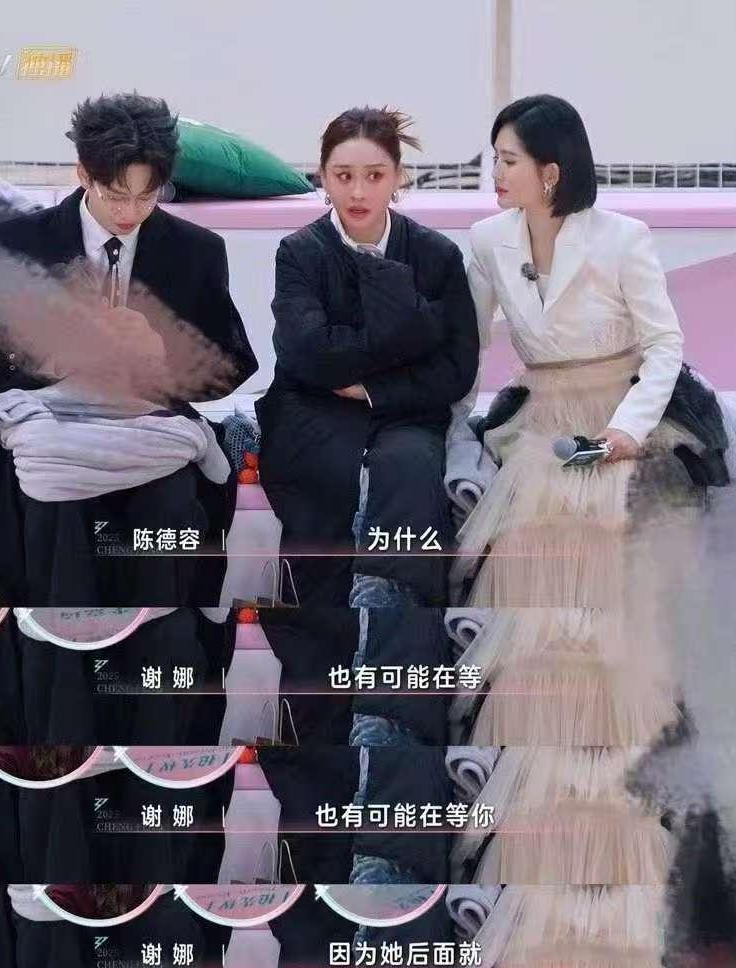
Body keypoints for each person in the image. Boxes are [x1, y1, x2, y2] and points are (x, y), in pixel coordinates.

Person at [0, 91, 257, 605]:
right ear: (83, 174)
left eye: (147, 196)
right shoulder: (21, 244)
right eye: (116, 195)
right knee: (51, 507)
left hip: (151, 430)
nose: (130, 212)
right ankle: (63, 647)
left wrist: (164, 355)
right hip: (51, 430)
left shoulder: (195, 251)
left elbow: (232, 365)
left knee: (171, 508)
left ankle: (157, 646)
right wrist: (46, 355)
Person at [452, 93, 697, 608]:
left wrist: (628, 429)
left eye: (509, 161)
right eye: (495, 158)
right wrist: (450, 425)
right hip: (540, 417)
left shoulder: (623, 239)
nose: (495, 172)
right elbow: (467, 345)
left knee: (611, 511)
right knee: (533, 515)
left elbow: (664, 343)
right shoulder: (487, 240)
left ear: (551, 173)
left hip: (623, 410)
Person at [256, 106, 480, 607]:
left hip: (405, 411)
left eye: (374, 176)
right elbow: (307, 353)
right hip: (313, 409)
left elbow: (456, 369)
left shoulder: (437, 255)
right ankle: (323, 631)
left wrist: (373, 387)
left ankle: (401, 626)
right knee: (324, 476)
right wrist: (414, 330)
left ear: (398, 178)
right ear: (323, 178)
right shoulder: (299, 252)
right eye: (344, 176)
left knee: (410, 468)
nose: (358, 192)